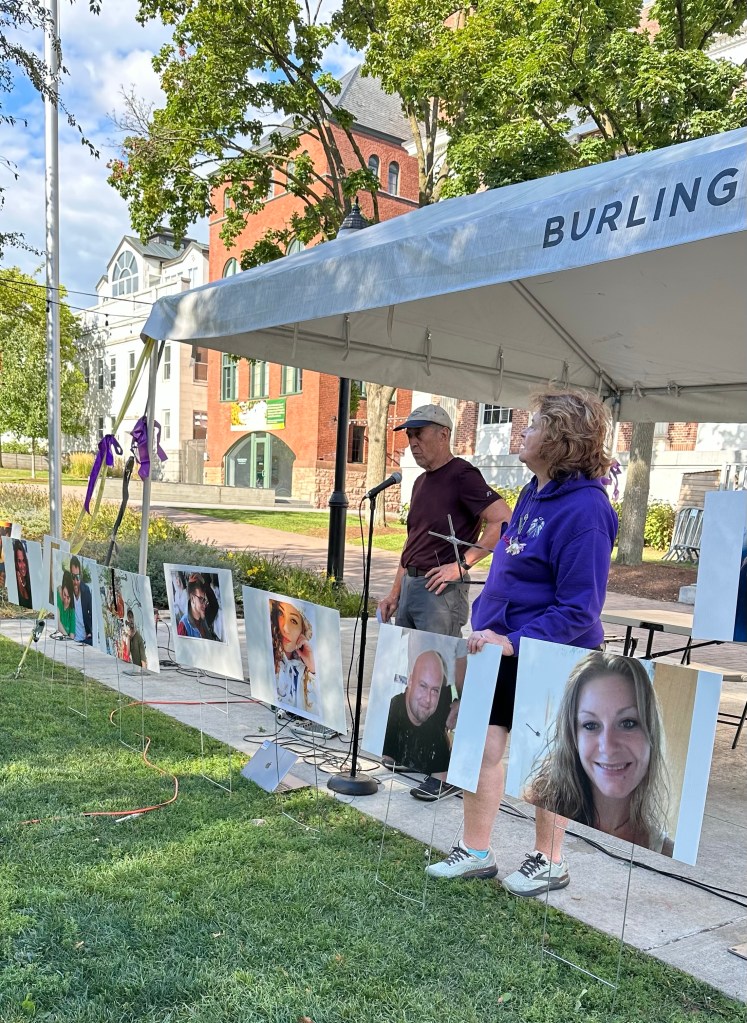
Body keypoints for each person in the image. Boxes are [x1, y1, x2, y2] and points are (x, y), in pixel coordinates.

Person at [426, 389, 619, 893]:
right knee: (480, 744)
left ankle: (549, 860)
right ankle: (475, 851)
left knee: (548, 758)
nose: (522, 432)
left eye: (532, 425)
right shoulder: (534, 490)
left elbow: (580, 608)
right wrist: (491, 627)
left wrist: (514, 641)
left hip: (550, 650)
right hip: (496, 643)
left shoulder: (587, 510)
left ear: (558, 439)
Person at [378, 403, 511, 801]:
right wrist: (395, 590)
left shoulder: (462, 475)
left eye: (418, 433)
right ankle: (414, 752)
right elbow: (412, 542)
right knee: (414, 672)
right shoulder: (420, 482)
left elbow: (502, 520)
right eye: (408, 435)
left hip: (441, 592)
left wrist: (462, 564)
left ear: (443, 434)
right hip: (412, 585)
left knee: (446, 679)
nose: (412, 442)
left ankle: (447, 769)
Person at [526, 651, 672, 855]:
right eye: (591, 725)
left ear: (651, 734)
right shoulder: (534, 807)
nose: (608, 747)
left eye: (628, 723)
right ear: (573, 737)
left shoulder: (666, 852)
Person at [383, 650, 452, 775]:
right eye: (423, 686)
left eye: (435, 690)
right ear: (410, 681)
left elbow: (441, 778)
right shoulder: (388, 715)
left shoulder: (437, 733)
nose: (428, 699)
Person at [269, 599, 318, 715]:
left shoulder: (301, 670)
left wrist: (312, 667)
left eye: (293, 621)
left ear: (303, 630)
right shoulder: (269, 659)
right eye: (280, 614)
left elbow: (317, 710)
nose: (285, 628)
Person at [177, 574, 220, 641]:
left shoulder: (204, 617)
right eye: (200, 599)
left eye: (204, 600)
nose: (204, 604)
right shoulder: (184, 626)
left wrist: (204, 582)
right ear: (192, 598)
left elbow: (214, 605)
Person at [70, 555, 93, 645]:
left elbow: (91, 613)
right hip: (71, 638)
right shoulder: (67, 590)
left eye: (78, 577)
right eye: (73, 577)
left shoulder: (86, 590)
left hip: (85, 639)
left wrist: (90, 631)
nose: (75, 581)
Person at [56, 570, 77, 638]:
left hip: (67, 639)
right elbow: (58, 622)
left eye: (68, 597)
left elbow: (72, 632)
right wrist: (67, 638)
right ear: (62, 590)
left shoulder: (72, 608)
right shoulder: (57, 598)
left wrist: (70, 640)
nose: (66, 600)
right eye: (64, 595)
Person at [13, 540, 32, 609]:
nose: (23, 565)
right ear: (15, 562)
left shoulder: (30, 580)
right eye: (19, 561)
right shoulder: (13, 583)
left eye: (24, 560)